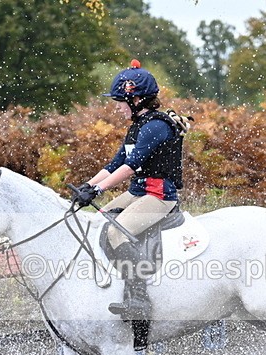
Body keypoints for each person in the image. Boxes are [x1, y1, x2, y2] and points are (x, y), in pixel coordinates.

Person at [73, 60, 186, 321]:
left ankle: (139, 299)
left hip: (158, 196)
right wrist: (88, 186)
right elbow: (115, 164)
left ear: (137, 99)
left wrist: (99, 190)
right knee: (96, 223)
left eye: (120, 102)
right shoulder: (138, 126)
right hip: (138, 193)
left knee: (115, 232)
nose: (118, 108)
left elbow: (131, 166)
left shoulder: (156, 127)